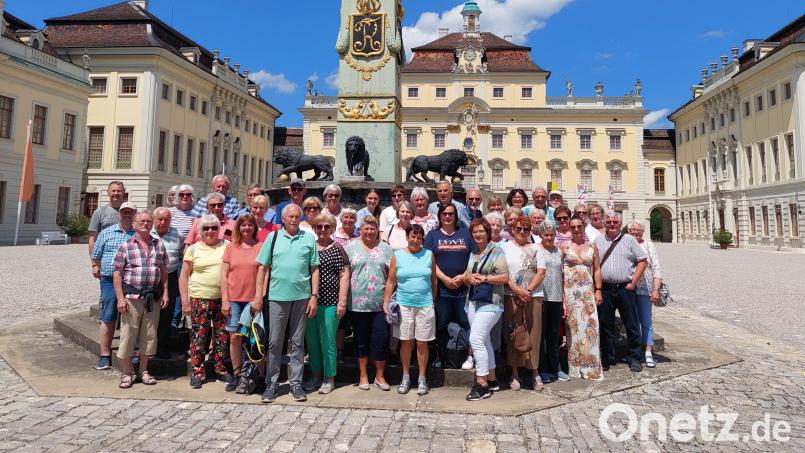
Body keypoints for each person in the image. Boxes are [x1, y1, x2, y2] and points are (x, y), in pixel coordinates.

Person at [255, 204, 320, 403]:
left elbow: (314, 269)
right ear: (283, 219)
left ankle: (296, 383)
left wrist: (314, 296)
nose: (293, 219)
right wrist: (259, 296)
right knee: (275, 342)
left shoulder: (308, 238)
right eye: (290, 216)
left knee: (298, 343)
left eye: (296, 216)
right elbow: (263, 268)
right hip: (277, 297)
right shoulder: (273, 238)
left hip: (301, 297)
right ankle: (272, 383)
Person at [112, 209, 169, 389]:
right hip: (132, 298)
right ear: (135, 224)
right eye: (142, 221)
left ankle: (144, 371)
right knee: (128, 336)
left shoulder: (158, 245)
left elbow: (164, 271)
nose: (146, 224)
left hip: (152, 298)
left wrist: (165, 292)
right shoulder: (126, 246)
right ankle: (127, 373)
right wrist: (120, 298)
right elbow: (117, 274)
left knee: (149, 337)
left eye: (148, 221)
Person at [384, 224, 436, 395]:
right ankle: (405, 376)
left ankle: (422, 378)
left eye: (419, 237)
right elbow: (391, 281)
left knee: (422, 342)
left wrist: (432, 300)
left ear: (422, 239)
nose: (415, 240)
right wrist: (386, 303)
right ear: (407, 237)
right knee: (406, 341)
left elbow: (434, 281)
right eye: (412, 237)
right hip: (404, 304)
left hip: (425, 304)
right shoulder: (397, 256)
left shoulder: (429, 255)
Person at [179, 214, 229, 389]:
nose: (210, 231)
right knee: (199, 337)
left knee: (222, 337)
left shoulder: (227, 246)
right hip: (199, 298)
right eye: (206, 228)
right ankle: (197, 372)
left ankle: (220, 369)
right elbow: (183, 276)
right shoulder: (193, 249)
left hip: (222, 299)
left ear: (219, 230)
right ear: (200, 231)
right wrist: (185, 302)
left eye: (214, 228)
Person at [594, 211, 648, 373]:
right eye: (609, 222)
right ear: (604, 223)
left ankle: (635, 358)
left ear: (620, 224)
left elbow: (643, 261)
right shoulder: (598, 240)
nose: (611, 224)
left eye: (615, 222)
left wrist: (633, 282)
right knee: (605, 325)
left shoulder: (629, 240)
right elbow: (594, 264)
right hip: (606, 288)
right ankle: (607, 358)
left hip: (625, 288)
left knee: (631, 323)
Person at [462, 219, 509, 401]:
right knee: (485, 340)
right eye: (475, 231)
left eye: (481, 231)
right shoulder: (473, 253)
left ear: (488, 232)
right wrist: (469, 278)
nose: (477, 234)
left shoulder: (497, 251)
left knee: (476, 339)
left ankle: (482, 384)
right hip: (473, 302)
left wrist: (484, 278)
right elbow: (467, 276)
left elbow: (505, 277)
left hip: (491, 302)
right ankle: (492, 378)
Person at [303, 213, 350, 395]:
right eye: (319, 227)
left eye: (326, 227)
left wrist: (342, 302)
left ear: (331, 228)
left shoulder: (337, 248)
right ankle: (316, 375)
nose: (323, 230)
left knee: (328, 341)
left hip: (331, 303)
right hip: (309, 303)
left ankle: (329, 377)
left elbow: (344, 275)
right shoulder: (309, 248)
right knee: (312, 341)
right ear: (314, 228)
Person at [424, 203, 474, 369]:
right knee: (441, 324)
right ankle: (440, 356)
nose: (447, 216)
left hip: (463, 289)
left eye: (451, 214)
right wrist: (445, 278)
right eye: (444, 214)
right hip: (442, 290)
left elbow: (474, 257)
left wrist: (464, 275)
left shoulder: (465, 234)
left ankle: (468, 356)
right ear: (439, 216)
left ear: (455, 216)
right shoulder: (433, 235)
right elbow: (429, 260)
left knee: (466, 323)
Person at [346, 216, 393, 390]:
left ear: (377, 230)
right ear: (360, 230)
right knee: (361, 340)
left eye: (373, 228)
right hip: (357, 304)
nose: (369, 231)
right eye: (366, 228)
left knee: (381, 339)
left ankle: (380, 376)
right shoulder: (350, 248)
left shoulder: (386, 249)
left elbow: (392, 276)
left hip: (380, 304)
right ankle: (363, 375)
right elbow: (344, 274)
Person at [90, 202, 136, 370]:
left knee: (134, 317)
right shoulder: (106, 233)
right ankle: (105, 354)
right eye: (124, 212)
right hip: (109, 280)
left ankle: (134, 351)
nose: (127, 215)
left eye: (130, 212)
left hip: (132, 282)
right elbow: (95, 255)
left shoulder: (138, 234)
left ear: (134, 215)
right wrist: (98, 267)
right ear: (119, 214)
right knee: (108, 316)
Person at [220, 214, 262, 392]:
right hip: (234, 299)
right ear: (238, 227)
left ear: (254, 227)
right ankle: (238, 375)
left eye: (249, 225)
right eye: (243, 225)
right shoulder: (231, 247)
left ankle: (256, 374)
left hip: (252, 300)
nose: (246, 228)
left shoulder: (260, 247)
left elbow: (263, 274)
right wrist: (225, 300)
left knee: (255, 339)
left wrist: (259, 297)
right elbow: (223, 275)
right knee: (235, 337)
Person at [501, 215, 543, 391]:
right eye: (519, 228)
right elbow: (503, 272)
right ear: (513, 229)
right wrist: (517, 290)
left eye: (526, 229)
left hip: (533, 295)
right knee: (514, 333)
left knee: (534, 333)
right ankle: (515, 373)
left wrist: (527, 291)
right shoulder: (504, 247)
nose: (522, 232)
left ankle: (534, 372)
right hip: (511, 295)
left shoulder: (536, 248)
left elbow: (541, 272)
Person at [562, 215, 604, 380]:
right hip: (570, 292)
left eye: (579, 226)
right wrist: (563, 298)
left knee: (591, 327)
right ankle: (575, 367)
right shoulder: (564, 247)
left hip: (587, 292)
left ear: (583, 227)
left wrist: (598, 289)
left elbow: (597, 270)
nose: (576, 230)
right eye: (573, 227)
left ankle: (591, 367)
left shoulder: (592, 247)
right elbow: (559, 273)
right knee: (573, 329)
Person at [534, 221, 568, 384]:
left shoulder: (558, 251)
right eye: (546, 234)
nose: (549, 237)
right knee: (541, 336)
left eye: (552, 234)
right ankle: (543, 369)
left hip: (556, 297)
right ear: (541, 235)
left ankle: (556, 368)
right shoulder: (536, 250)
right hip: (541, 297)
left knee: (554, 335)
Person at [628, 220, 662, 368]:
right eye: (632, 230)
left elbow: (656, 268)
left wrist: (656, 289)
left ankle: (648, 351)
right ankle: (634, 352)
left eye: (638, 230)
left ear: (643, 231)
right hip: (628, 288)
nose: (635, 232)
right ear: (628, 231)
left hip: (645, 289)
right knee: (631, 322)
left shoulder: (648, 245)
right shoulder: (626, 243)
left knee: (646, 321)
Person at [151, 207, 183, 359]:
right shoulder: (147, 233)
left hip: (170, 277)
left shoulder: (177, 233)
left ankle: (162, 347)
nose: (163, 222)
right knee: (149, 314)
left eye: (166, 219)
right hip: (150, 279)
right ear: (154, 219)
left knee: (166, 314)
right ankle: (146, 348)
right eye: (160, 219)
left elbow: (182, 253)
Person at [88, 180, 126, 255]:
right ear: (108, 192)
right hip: (105, 256)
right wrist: (94, 263)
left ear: (124, 192)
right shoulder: (99, 212)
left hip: (127, 256)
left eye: (119, 191)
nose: (116, 193)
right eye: (113, 191)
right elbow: (92, 239)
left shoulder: (131, 212)